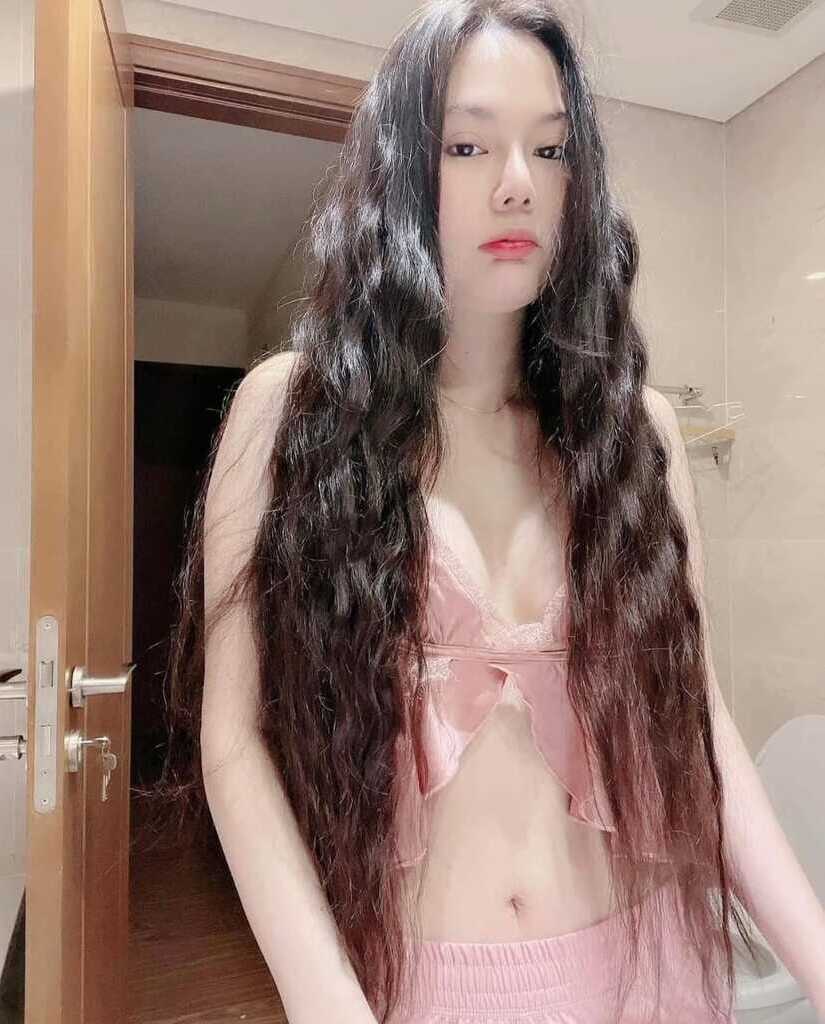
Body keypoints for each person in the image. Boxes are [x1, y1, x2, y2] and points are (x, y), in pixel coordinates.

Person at [141, 2, 825, 1023]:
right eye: (467, 145)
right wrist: (329, 1001)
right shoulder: (288, 414)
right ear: (402, 168)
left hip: (646, 973)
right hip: (417, 985)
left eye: (550, 150)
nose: (517, 182)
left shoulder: (635, 430)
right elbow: (233, 744)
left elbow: (701, 720)